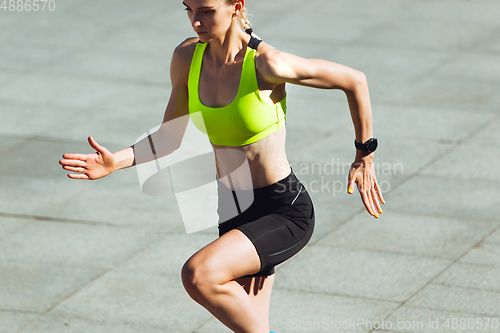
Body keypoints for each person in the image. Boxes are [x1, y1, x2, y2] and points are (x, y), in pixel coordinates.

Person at [59, 0, 385, 332]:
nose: (195, 21)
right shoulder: (187, 59)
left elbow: (354, 80)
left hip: (282, 208)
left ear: (236, 6)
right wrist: (117, 162)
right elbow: (170, 136)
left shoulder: (266, 63)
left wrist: (365, 154)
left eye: (206, 11)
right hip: (232, 206)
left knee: (199, 274)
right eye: (189, 9)